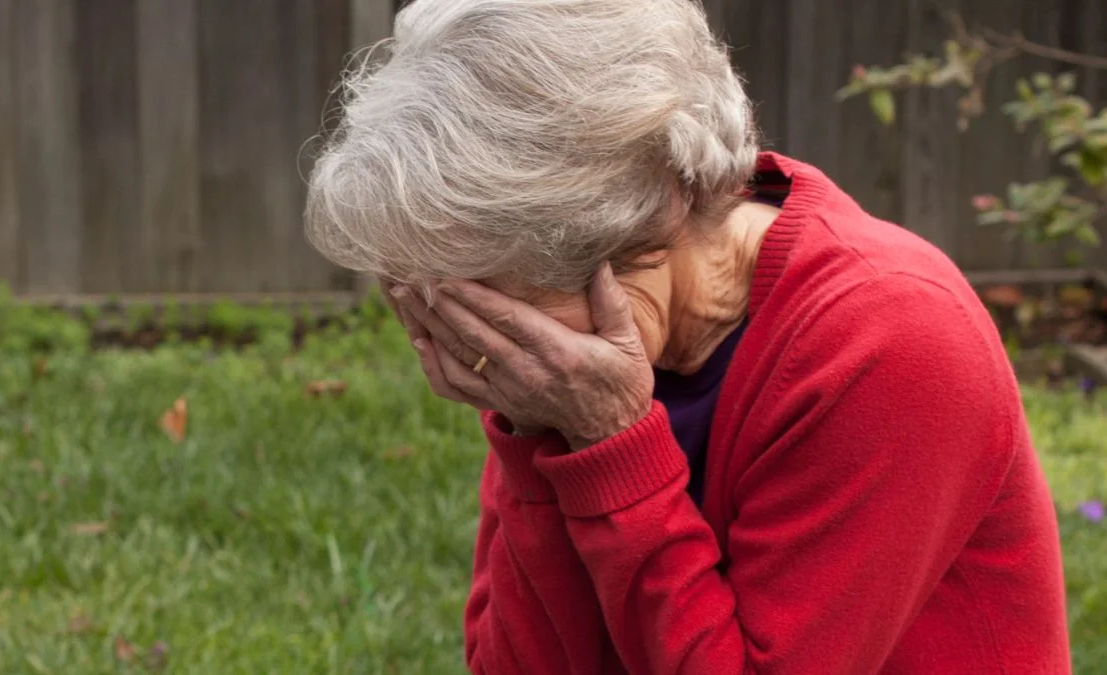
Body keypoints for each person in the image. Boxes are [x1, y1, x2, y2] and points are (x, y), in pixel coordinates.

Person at [304, 0, 1070, 672]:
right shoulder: (573, 359)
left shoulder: (890, 340)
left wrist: (613, 444)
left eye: (486, 291)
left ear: (651, 213)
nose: (466, 337)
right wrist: (540, 430)